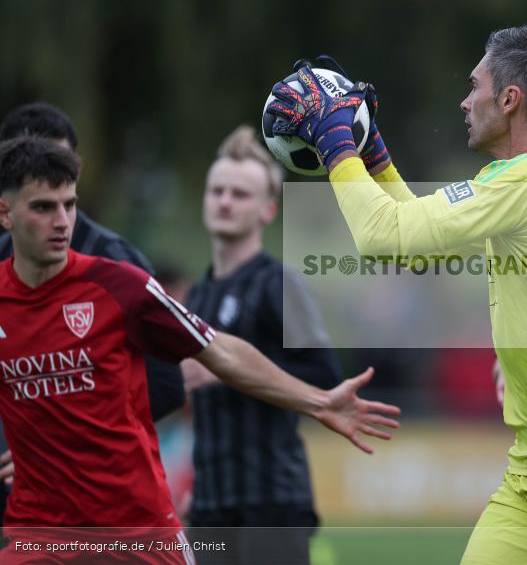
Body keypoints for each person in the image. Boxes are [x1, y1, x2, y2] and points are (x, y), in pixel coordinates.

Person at [265, 25, 527, 564]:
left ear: (510, 100)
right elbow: (416, 248)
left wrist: (335, 141)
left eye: (474, 86)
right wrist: (371, 154)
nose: (464, 102)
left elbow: (383, 237)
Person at [0, 136, 399, 563]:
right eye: (44, 207)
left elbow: (231, 353)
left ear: (268, 209)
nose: (63, 221)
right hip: (164, 512)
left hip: (244, 509)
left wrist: (318, 401)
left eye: (69, 204)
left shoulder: (262, 285)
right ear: (5, 213)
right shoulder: (202, 291)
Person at [0, 102, 186, 529]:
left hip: (108, 507)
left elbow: (168, 382)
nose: (46, 171)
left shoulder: (115, 264)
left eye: (59, 164)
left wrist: (70, 441)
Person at [181, 125, 342, 564]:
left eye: (240, 193)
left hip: (272, 504)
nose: (225, 201)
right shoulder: (198, 295)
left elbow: (326, 378)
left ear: (268, 210)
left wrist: (228, 370)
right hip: (211, 506)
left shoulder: (278, 284)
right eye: (217, 190)